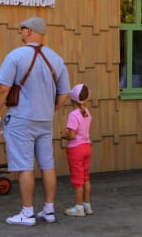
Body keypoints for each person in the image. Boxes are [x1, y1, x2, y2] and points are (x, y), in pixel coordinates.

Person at [0, 17, 70, 226]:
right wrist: (50, 109)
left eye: (22, 29)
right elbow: (63, 95)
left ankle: (27, 213)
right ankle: (49, 210)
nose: (20, 32)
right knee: (47, 165)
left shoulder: (16, 56)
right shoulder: (57, 59)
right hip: (45, 120)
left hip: (22, 119)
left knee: (25, 166)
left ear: (30, 32)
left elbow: (2, 89)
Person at [61, 83, 94, 217]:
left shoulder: (73, 115)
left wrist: (64, 135)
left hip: (76, 150)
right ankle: (87, 205)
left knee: (77, 179)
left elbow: (72, 135)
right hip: (87, 147)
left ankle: (79, 207)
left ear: (72, 98)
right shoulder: (87, 112)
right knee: (86, 177)